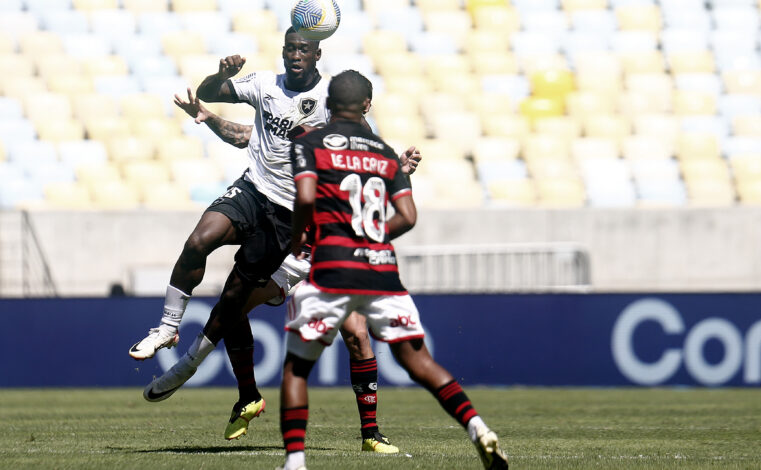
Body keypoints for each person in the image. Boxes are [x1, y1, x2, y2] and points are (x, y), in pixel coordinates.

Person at [136, 28, 419, 452]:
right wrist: (211, 105)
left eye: (303, 49)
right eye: (290, 48)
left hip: (315, 237)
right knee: (225, 288)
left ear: (317, 53)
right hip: (263, 206)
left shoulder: (335, 108)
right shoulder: (268, 88)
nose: (295, 55)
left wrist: (395, 166)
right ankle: (237, 388)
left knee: (357, 334)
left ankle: (370, 435)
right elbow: (247, 135)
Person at [279, 69, 508, 470]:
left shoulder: (310, 143)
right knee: (419, 362)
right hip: (381, 270)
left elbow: (305, 197)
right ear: (367, 105)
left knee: (297, 367)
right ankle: (478, 428)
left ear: (328, 104)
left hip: (332, 266)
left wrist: (302, 235)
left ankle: (296, 462)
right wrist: (369, 235)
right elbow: (408, 216)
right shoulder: (384, 153)